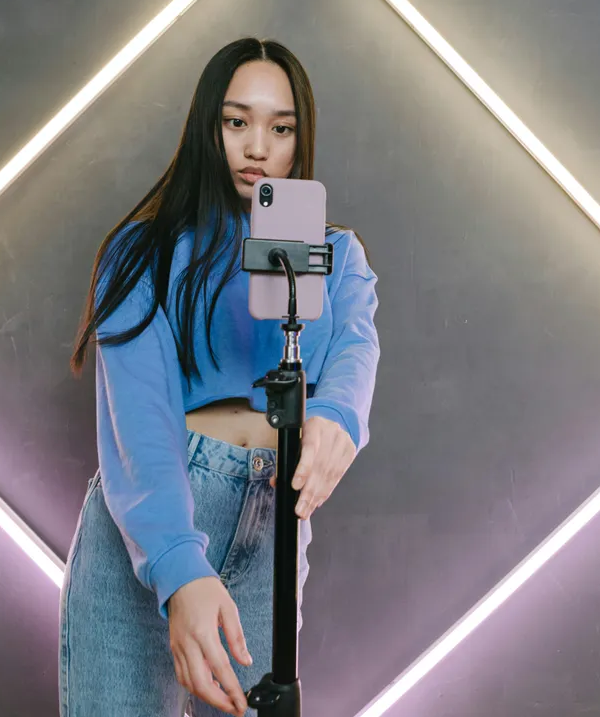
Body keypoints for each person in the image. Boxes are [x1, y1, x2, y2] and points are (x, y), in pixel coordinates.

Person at [58, 38, 380, 716]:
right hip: (158, 514)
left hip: (276, 523)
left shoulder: (335, 256)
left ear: (300, 138)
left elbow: (354, 345)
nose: (257, 145)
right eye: (237, 121)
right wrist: (177, 566)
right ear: (210, 126)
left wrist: (337, 414)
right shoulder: (144, 252)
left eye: (280, 126)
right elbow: (140, 425)